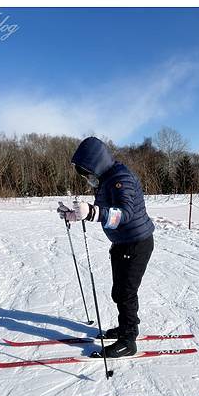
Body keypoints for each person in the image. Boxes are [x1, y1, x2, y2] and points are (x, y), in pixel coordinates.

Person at [57, 136, 154, 358]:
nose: (87, 178)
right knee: (119, 291)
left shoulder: (121, 179)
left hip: (136, 243)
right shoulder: (106, 180)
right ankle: (125, 327)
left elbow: (124, 213)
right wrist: (75, 215)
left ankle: (128, 340)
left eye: (88, 172)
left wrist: (92, 212)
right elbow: (102, 211)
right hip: (122, 243)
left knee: (126, 292)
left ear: (97, 163)